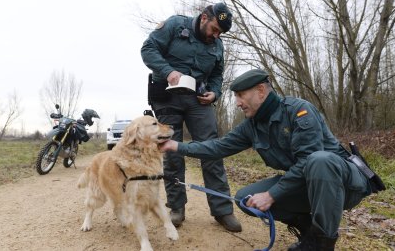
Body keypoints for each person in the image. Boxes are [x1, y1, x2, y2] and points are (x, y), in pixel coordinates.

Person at [159, 68, 373, 250]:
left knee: (319, 161)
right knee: (246, 198)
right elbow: (218, 147)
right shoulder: (251, 126)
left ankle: (322, 244)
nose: (238, 103)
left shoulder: (299, 110)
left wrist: (272, 195)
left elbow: (308, 161)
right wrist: (176, 146)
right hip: (308, 185)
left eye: (241, 95)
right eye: (235, 97)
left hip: (344, 185)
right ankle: (309, 229)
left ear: (260, 91)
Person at [140, 2, 242, 232]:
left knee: (211, 148)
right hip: (167, 97)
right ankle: (177, 207)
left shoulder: (218, 45)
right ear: (205, 17)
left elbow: (217, 75)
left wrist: (214, 93)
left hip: (198, 100)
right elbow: (148, 49)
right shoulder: (176, 25)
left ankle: (222, 209)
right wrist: (168, 71)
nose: (216, 35)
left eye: (220, 33)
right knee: (172, 152)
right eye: (215, 29)